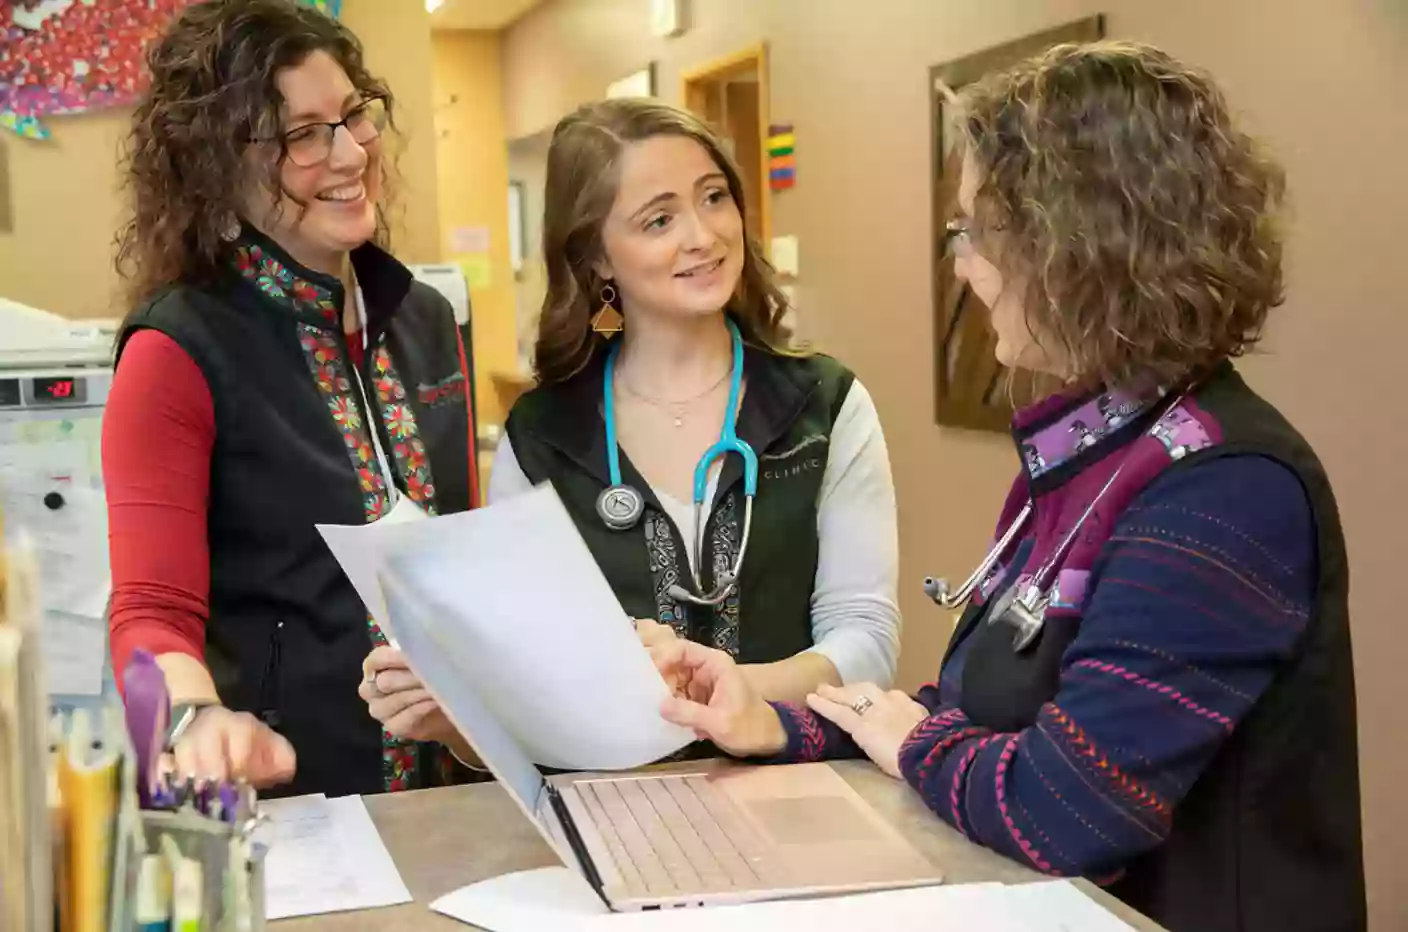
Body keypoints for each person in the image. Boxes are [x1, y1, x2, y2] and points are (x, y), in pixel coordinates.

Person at [646, 41, 1365, 932]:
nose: (960, 263)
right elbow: (972, 713)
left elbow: (1065, 808)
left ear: (1078, 244)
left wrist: (904, 738)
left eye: (975, 230)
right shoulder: (1087, 454)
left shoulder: (1225, 490)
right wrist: (778, 722)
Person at [361, 99, 901, 761]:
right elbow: (522, 705)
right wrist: (452, 714)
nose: (702, 235)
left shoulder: (825, 405)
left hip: (801, 792)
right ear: (596, 257)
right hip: (613, 815)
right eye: (659, 219)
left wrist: (730, 692)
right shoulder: (542, 439)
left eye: (714, 198)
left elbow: (866, 642)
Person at [104, 0, 479, 798]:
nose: (348, 155)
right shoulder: (176, 350)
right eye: (302, 136)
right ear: (215, 166)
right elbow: (150, 612)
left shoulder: (428, 321)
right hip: (293, 812)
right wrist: (194, 720)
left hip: (460, 797)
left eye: (352, 117)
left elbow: (468, 563)